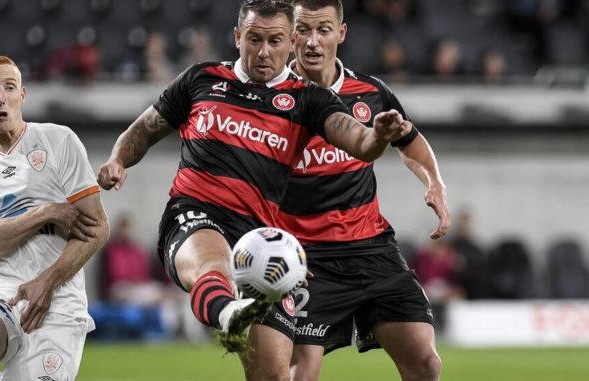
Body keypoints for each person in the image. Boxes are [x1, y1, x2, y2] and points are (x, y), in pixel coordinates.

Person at [97, 1, 411, 379]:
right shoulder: (202, 80)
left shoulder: (307, 100)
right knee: (215, 266)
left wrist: (378, 134)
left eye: (275, 40)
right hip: (194, 212)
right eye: (254, 39)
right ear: (237, 37)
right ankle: (230, 314)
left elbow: (357, 140)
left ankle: (236, 308)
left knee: (273, 374)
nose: (264, 51)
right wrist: (117, 159)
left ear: (291, 41)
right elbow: (145, 129)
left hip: (260, 241)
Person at [280, 2, 449, 381]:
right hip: (307, 259)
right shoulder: (272, 99)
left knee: (426, 364)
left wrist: (434, 182)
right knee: (298, 374)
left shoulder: (371, 92)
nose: (312, 41)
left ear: (342, 33)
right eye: (303, 30)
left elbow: (411, 141)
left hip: (372, 248)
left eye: (323, 30)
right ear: (290, 36)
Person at [0, 54, 109, 380]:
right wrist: (44, 213)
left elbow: (96, 229)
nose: (0, 98)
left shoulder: (58, 141)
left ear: (22, 95)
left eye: (10, 87)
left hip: (57, 302)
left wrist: (47, 281)